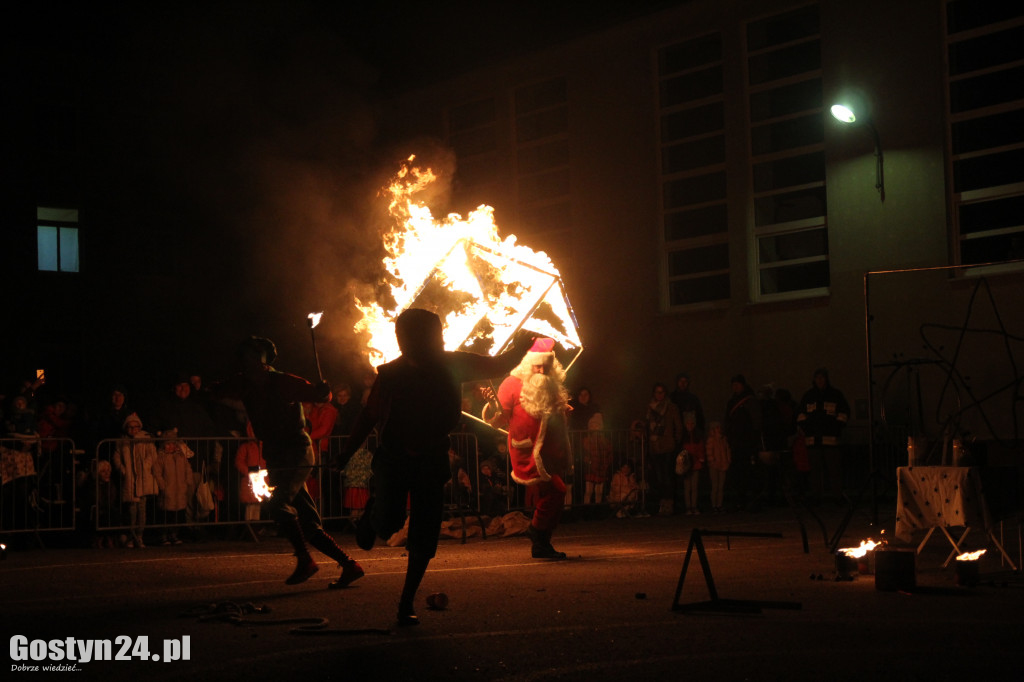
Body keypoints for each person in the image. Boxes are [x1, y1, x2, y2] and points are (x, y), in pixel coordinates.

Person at [336, 308, 528, 626]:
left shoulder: (453, 362)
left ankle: (406, 601)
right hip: (394, 458)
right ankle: (375, 517)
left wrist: (522, 342)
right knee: (388, 524)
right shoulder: (391, 373)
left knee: (425, 533)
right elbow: (368, 416)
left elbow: (497, 364)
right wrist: (345, 454)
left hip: (431, 458)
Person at [219, 336, 364, 589]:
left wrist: (324, 392)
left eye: (250, 357)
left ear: (263, 359)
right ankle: (350, 565)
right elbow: (220, 390)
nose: (245, 363)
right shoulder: (243, 382)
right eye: (243, 358)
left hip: (297, 450)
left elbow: (321, 395)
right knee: (307, 523)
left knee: (278, 504)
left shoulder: (284, 381)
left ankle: (305, 560)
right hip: (275, 454)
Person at [492, 337, 574, 560]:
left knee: (551, 496)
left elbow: (551, 410)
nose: (541, 370)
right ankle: (537, 533)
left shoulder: (550, 383)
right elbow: (498, 419)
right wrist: (492, 406)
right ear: (528, 363)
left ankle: (542, 543)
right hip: (529, 452)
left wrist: (562, 408)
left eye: (545, 366)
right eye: (537, 365)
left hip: (549, 451)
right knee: (557, 492)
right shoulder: (511, 383)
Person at [797, 368, 850, 504]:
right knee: (814, 471)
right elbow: (801, 416)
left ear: (826, 379)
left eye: (822, 377)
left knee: (834, 470)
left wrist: (834, 429)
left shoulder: (835, 395)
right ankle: (817, 497)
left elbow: (844, 415)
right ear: (814, 380)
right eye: (818, 378)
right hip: (813, 441)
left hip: (831, 441)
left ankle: (837, 496)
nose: (820, 380)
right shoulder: (808, 396)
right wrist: (809, 430)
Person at [113, 413, 159, 548]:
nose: (133, 429)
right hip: (130, 478)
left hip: (143, 478)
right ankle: (131, 536)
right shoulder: (122, 441)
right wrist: (122, 469)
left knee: (142, 510)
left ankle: (140, 536)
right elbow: (116, 456)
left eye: (136, 427)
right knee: (132, 510)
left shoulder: (146, 438)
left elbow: (152, 454)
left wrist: (146, 465)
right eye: (130, 427)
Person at [723, 374, 759, 510]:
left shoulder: (749, 400)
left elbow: (756, 421)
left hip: (747, 443)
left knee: (748, 472)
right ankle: (740, 498)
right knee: (737, 472)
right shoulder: (732, 401)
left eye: (737, 384)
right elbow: (728, 420)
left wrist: (753, 439)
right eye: (733, 385)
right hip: (736, 443)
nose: (735, 387)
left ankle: (750, 499)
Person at [646, 382, 682, 516]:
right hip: (655, 446)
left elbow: (678, 425)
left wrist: (677, 441)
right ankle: (662, 502)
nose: (659, 395)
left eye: (661, 392)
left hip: (667, 445)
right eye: (657, 392)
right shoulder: (650, 407)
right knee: (659, 476)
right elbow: (648, 425)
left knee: (667, 475)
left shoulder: (671, 407)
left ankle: (669, 502)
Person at [154, 427, 193, 545]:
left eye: (173, 444)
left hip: (180, 490)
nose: (170, 446)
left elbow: (188, 469)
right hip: (168, 490)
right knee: (166, 515)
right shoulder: (161, 457)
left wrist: (188, 482)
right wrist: (162, 485)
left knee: (177, 515)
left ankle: (174, 534)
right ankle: (164, 535)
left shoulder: (181, 457)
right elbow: (157, 472)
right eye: (167, 444)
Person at [582, 412, 613, 504]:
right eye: (592, 425)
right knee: (588, 491)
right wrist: (589, 462)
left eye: (596, 425)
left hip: (601, 468)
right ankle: (586, 510)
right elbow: (584, 453)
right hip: (590, 468)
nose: (594, 427)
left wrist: (606, 464)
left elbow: (609, 454)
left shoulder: (605, 442)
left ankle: (597, 510)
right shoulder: (586, 440)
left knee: (599, 491)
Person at [678, 411, 705, 515]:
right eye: (688, 423)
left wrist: (701, 458)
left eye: (692, 423)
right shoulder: (683, 437)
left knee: (694, 487)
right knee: (687, 487)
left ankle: (693, 506)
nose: (690, 425)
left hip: (695, 464)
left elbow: (700, 449)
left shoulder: (698, 436)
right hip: (687, 465)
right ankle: (688, 507)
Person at [705, 421, 731, 513]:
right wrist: (713, 462)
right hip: (714, 466)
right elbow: (709, 452)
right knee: (715, 486)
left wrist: (727, 461)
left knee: (720, 487)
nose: (719, 429)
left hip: (723, 465)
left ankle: (719, 504)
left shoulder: (723, 439)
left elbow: (727, 450)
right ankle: (714, 505)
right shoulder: (711, 440)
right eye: (717, 427)